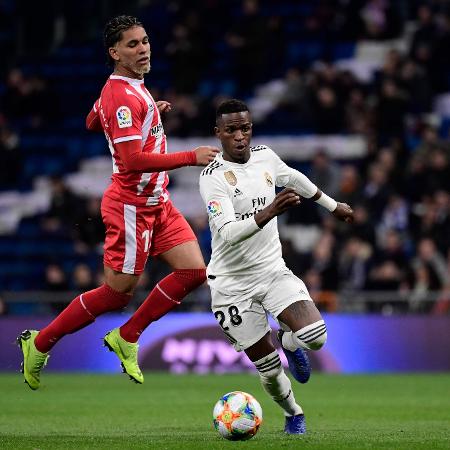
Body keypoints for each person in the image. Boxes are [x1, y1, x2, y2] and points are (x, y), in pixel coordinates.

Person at [17, 15, 219, 390]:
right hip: (132, 206)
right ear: (115, 53)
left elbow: (93, 120)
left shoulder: (130, 90)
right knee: (115, 294)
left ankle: (127, 337)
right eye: (132, 44)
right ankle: (39, 342)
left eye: (145, 41)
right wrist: (190, 156)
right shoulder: (122, 96)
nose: (143, 49)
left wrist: (147, 114)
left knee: (194, 272)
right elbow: (131, 161)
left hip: (158, 200)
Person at [199, 99, 353, 434]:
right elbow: (226, 234)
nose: (240, 136)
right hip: (230, 285)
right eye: (232, 130)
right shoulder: (212, 178)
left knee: (314, 337)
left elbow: (292, 177)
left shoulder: (266, 156)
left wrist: (331, 204)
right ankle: (294, 414)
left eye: (245, 128)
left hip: (271, 271)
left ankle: (289, 341)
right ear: (218, 134)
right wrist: (269, 211)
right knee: (268, 371)